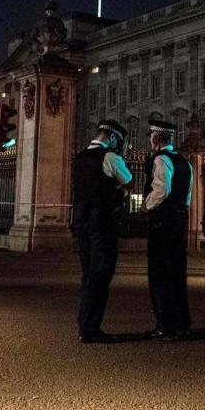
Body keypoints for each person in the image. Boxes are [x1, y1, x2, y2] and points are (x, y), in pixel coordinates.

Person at [71, 119, 133, 344]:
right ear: (113, 138)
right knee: (101, 272)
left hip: (80, 220)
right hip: (101, 220)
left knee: (88, 272)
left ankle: (84, 321)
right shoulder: (110, 157)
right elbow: (128, 181)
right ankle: (90, 328)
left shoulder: (79, 157)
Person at [139, 119, 193, 340]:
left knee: (160, 273)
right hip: (179, 218)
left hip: (163, 220)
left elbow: (162, 188)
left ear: (156, 138)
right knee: (177, 272)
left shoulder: (161, 159)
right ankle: (181, 322)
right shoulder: (184, 161)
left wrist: (146, 206)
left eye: (151, 136)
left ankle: (165, 325)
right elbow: (188, 194)